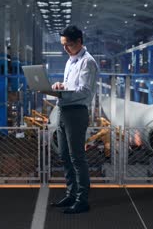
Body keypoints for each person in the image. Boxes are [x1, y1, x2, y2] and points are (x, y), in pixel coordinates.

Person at [49, 25, 98, 214]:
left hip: (76, 112)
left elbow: (85, 92)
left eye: (68, 44)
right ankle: (71, 194)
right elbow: (71, 86)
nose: (65, 49)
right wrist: (60, 86)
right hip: (64, 110)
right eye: (63, 45)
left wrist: (62, 94)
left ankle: (82, 200)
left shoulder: (88, 62)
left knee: (77, 157)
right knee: (64, 156)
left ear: (79, 41)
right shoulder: (70, 61)